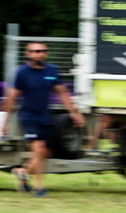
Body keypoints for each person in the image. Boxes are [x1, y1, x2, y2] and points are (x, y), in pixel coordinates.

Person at [4, 42, 85, 198]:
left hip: (46, 117)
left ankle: (23, 172)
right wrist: (4, 123)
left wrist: (74, 113)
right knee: (38, 149)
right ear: (28, 54)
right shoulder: (22, 72)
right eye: (35, 51)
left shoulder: (52, 70)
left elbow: (62, 93)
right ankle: (39, 187)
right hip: (29, 116)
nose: (39, 54)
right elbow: (12, 98)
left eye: (42, 51)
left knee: (44, 153)